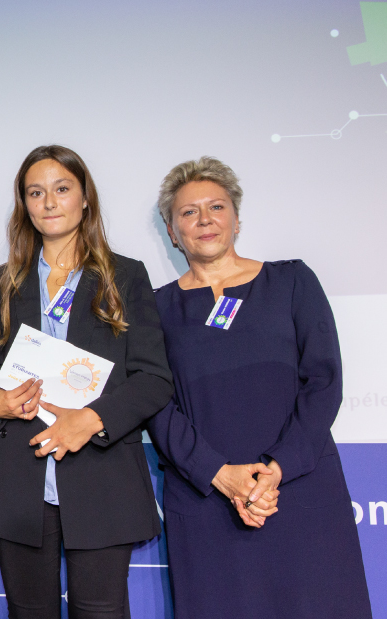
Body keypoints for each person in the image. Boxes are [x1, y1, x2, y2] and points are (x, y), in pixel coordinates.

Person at [146, 156, 372, 618]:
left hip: (299, 491)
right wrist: (218, 474)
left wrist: (277, 469)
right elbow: (155, 402)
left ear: (236, 219)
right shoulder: (154, 310)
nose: (205, 219)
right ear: (172, 231)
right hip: (206, 500)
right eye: (189, 212)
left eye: (217, 207)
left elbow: (324, 380)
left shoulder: (291, 281)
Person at [0, 145, 173, 619]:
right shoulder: (5, 281)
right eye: (35, 192)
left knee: (101, 611)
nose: (49, 202)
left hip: (102, 475)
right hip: (21, 479)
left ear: (85, 199)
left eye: (62, 189)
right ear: (24, 205)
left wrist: (93, 419)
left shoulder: (125, 275)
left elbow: (154, 378)